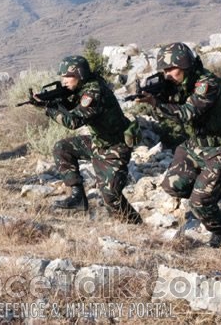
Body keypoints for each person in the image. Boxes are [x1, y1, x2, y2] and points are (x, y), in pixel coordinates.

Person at [137, 42, 221, 250]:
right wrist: (159, 96)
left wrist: (157, 103)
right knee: (172, 185)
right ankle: (211, 194)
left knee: (199, 202)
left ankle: (219, 230)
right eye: (165, 70)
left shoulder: (207, 84)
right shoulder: (179, 84)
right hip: (195, 145)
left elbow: (187, 113)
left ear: (186, 65)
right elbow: (170, 117)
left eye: (172, 69)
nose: (168, 74)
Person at [36, 55, 142, 224]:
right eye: (62, 76)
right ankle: (78, 196)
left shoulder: (93, 92)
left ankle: (136, 225)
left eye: (68, 76)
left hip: (115, 147)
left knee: (111, 197)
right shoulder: (84, 87)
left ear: (80, 74)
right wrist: (49, 101)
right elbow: (72, 105)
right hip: (98, 141)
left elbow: (73, 121)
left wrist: (50, 109)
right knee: (62, 148)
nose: (64, 81)